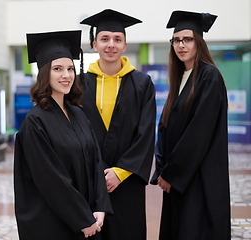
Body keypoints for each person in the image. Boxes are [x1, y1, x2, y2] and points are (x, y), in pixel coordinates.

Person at [13, 30, 113, 240]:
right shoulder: (35, 122)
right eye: (57, 69)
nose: (66, 75)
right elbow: (51, 180)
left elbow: (96, 161)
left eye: (70, 69)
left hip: (88, 217)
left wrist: (100, 206)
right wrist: (82, 220)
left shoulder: (77, 113)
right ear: (44, 73)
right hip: (55, 222)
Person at [150, 10, 231, 240]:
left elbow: (197, 133)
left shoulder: (209, 76)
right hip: (178, 180)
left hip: (197, 178)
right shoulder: (181, 78)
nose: (181, 45)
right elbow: (165, 128)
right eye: (176, 40)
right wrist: (163, 168)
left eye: (187, 39)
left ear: (199, 42)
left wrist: (171, 174)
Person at [79, 9, 156, 240]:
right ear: (94, 44)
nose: (110, 44)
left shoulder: (142, 83)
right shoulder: (79, 84)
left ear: (124, 45)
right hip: (90, 179)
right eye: (104, 39)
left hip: (127, 181)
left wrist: (120, 173)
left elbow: (146, 134)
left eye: (117, 39)